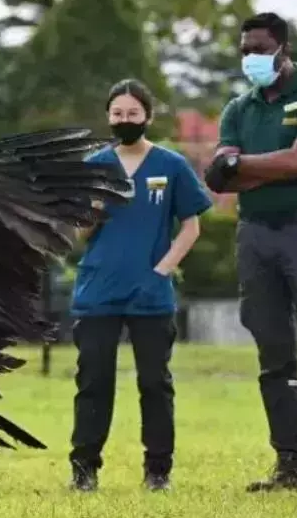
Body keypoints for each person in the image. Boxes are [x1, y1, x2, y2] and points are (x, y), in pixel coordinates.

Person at [205, 12, 297, 492]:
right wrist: (273, 167)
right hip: (256, 234)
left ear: (284, 48)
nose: (251, 58)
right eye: (244, 50)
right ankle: (291, 466)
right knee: (273, 355)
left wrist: (242, 165)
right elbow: (218, 177)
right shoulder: (238, 109)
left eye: (260, 49)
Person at [68, 78, 212, 492]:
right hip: (98, 292)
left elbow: (191, 225)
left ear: (148, 116)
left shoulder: (171, 165)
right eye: (117, 114)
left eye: (133, 113)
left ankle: (158, 470)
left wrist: (163, 269)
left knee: (155, 383)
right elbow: (79, 233)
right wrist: (92, 209)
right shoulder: (94, 165)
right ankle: (84, 469)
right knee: (93, 382)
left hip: (151, 294)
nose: (124, 120)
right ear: (108, 118)